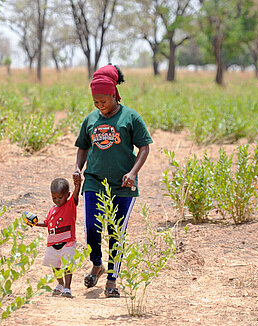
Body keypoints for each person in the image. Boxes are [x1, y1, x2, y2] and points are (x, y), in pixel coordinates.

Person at [74, 64, 153, 298]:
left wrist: (133, 172)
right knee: (92, 227)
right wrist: (78, 168)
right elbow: (82, 147)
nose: (100, 106)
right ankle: (96, 263)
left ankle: (112, 278)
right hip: (94, 181)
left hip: (123, 185)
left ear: (114, 95)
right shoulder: (90, 119)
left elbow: (144, 148)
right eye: (96, 102)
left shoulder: (130, 117)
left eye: (104, 101)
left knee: (116, 232)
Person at [30, 175, 81, 298]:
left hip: (67, 242)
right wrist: (35, 223)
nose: (57, 200)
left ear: (67, 195)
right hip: (52, 243)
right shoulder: (52, 210)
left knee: (67, 265)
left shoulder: (70, 205)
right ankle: (60, 283)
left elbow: (75, 195)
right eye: (54, 198)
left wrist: (77, 185)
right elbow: (47, 223)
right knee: (55, 266)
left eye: (60, 197)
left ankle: (68, 287)